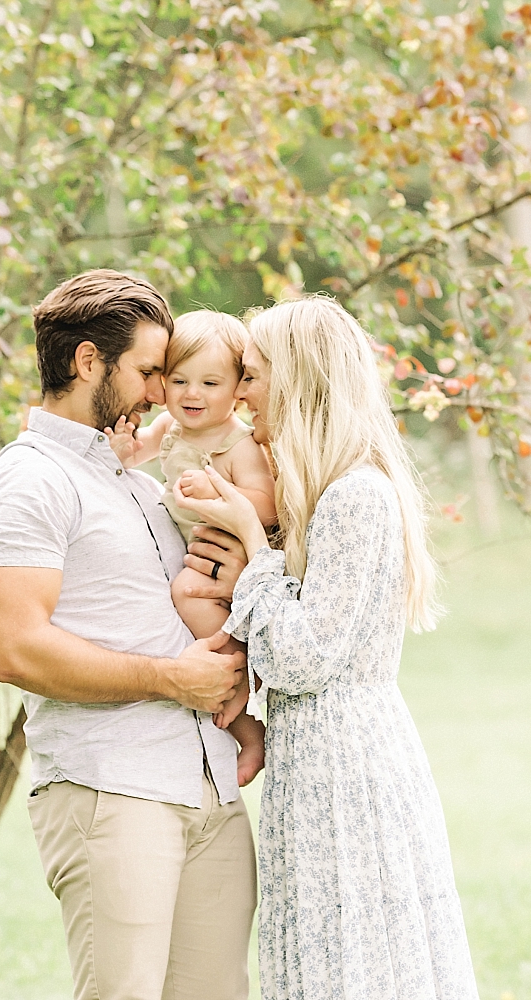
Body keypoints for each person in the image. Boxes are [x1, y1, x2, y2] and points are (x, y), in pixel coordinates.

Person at [173, 296, 478, 1000]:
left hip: (347, 764)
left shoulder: (354, 496)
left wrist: (253, 541)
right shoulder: (322, 497)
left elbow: (304, 660)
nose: (239, 392)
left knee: (354, 966)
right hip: (313, 756)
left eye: (251, 374)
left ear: (297, 378)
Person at [0, 269, 256, 1000]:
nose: (162, 392)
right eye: (149, 372)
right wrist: (169, 679)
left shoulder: (131, 476)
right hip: (113, 791)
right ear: (88, 362)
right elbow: (15, 649)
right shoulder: (30, 479)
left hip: (208, 787)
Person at [110, 309, 275, 785]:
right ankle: (249, 732)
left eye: (210, 382)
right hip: (199, 551)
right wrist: (124, 450)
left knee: (186, 592)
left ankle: (235, 667)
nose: (192, 394)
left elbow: (266, 504)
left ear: (237, 390)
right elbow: (138, 452)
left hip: (228, 553)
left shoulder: (239, 445)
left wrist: (219, 493)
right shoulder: (171, 428)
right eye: (179, 380)